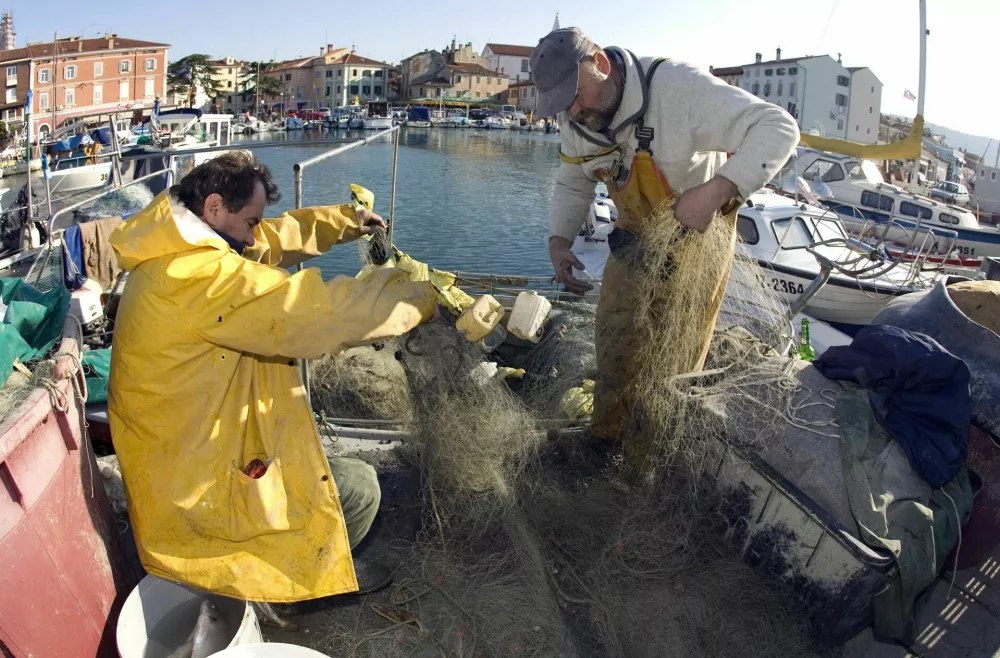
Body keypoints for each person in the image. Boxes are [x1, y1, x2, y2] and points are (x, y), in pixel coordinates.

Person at [107, 151, 439, 604]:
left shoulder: (177, 243)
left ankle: (296, 567)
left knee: (321, 470)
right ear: (215, 208)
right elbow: (308, 313)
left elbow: (267, 240)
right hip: (195, 485)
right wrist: (415, 297)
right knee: (358, 488)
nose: (254, 233)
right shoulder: (196, 277)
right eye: (250, 221)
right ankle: (297, 582)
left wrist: (346, 220)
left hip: (185, 450)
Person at [531, 27, 799, 464]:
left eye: (575, 95)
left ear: (599, 62)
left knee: (673, 358)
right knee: (615, 339)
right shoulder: (575, 118)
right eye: (561, 104)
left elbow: (778, 126)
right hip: (635, 237)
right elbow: (573, 181)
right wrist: (559, 242)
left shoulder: (678, 87)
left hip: (697, 240)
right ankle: (604, 438)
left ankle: (647, 457)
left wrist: (715, 191)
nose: (573, 111)